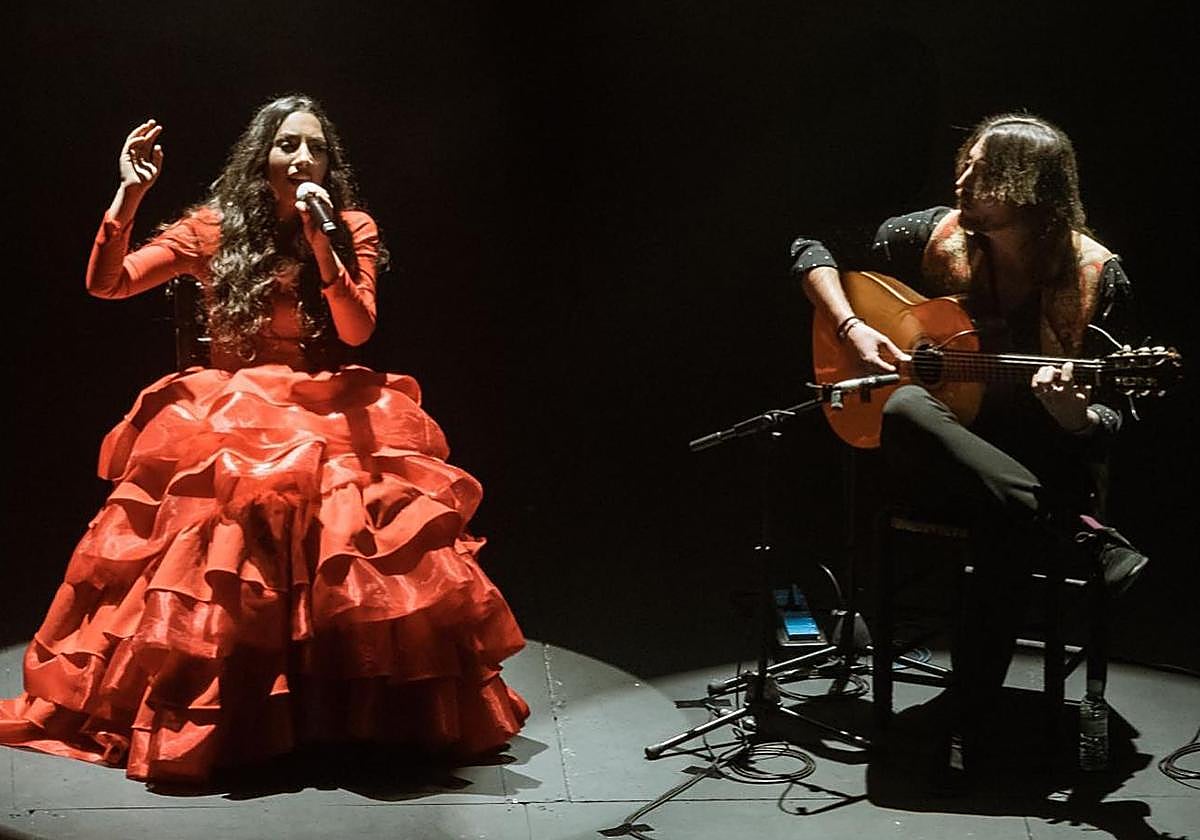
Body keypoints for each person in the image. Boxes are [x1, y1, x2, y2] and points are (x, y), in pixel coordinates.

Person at [0, 94, 529, 784]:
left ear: (328, 164)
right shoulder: (213, 229)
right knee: (226, 521)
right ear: (263, 158)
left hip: (321, 404)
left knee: (359, 531)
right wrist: (128, 197)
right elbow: (109, 283)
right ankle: (235, 709)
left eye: (314, 146)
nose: (302, 157)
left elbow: (357, 330)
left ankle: (339, 713)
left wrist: (323, 242)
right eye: (287, 145)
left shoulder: (350, 226)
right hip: (229, 409)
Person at [790, 113, 1148, 771]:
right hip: (939, 462)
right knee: (903, 408)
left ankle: (967, 711)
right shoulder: (934, 234)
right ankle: (1078, 535)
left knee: (1003, 519)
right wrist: (849, 328)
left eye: (983, 174)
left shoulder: (1097, 278)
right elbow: (811, 249)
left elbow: (1116, 422)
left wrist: (1074, 415)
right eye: (965, 162)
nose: (962, 179)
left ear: (1028, 191)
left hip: (1035, 468)